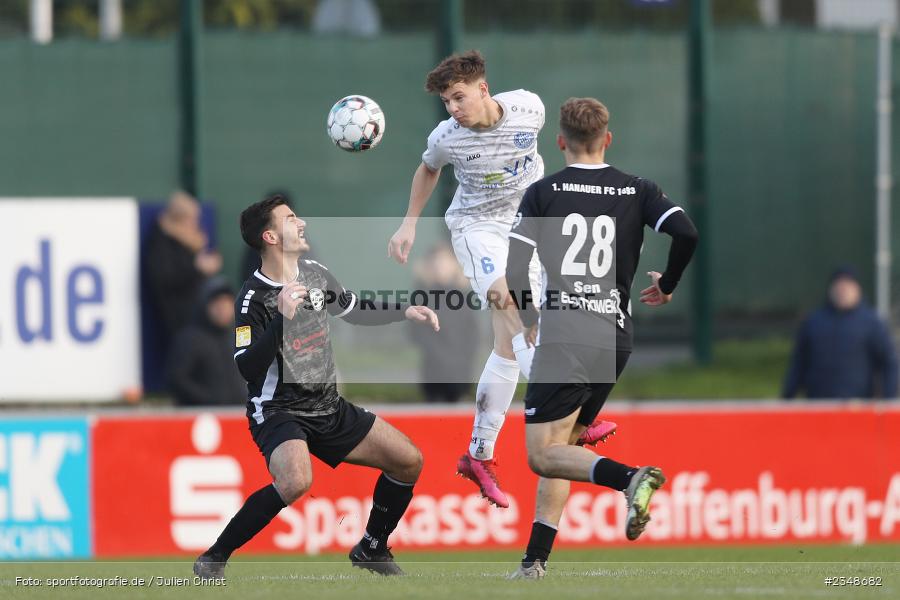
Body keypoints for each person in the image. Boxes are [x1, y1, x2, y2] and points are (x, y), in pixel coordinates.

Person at [388, 50, 614, 508]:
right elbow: (428, 168)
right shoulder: (446, 137)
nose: (454, 108)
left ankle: (478, 454)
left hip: (527, 227)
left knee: (509, 346)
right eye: (447, 101)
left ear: (483, 89)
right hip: (476, 228)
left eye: (459, 97)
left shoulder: (529, 109)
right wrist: (409, 222)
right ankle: (569, 408)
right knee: (507, 303)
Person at [193, 195, 439, 579]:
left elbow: (352, 308)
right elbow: (246, 367)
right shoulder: (250, 300)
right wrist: (281, 320)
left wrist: (404, 310)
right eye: (291, 219)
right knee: (295, 481)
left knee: (409, 460)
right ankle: (214, 558)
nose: (302, 223)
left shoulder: (315, 273)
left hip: (329, 407)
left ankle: (372, 548)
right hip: (279, 412)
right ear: (270, 236)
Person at [505, 97, 699, 579]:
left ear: (560, 141)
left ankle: (632, 478)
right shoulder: (638, 189)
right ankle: (534, 563)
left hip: (565, 334)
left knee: (540, 455)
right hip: (614, 337)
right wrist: (668, 284)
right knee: (566, 446)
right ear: (608, 139)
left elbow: (514, 267)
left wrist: (528, 316)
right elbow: (687, 233)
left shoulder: (543, 191)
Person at [783, 266, 898, 400]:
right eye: (839, 287)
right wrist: (787, 397)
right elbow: (798, 363)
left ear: (857, 290)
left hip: (858, 405)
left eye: (847, 287)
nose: (842, 292)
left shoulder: (871, 323)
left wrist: (889, 397)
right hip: (819, 404)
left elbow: (889, 361)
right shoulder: (814, 322)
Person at [144, 190, 223, 344]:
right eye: (191, 219)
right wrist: (198, 268)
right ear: (180, 218)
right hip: (177, 316)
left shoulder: (189, 241)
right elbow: (166, 277)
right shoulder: (162, 242)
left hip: (196, 311)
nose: (195, 223)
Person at [407, 242, 478, 403]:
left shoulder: (462, 296)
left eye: (445, 262)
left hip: (460, 373)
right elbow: (416, 333)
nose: (440, 266)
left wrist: (462, 358)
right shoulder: (421, 296)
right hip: (433, 373)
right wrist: (440, 356)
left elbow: (472, 333)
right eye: (435, 262)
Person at [166, 277, 246, 406]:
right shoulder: (190, 339)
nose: (223, 310)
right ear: (204, 306)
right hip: (203, 419)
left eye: (227, 304)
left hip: (238, 416)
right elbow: (177, 380)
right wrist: (210, 400)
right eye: (217, 305)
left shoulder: (239, 335)